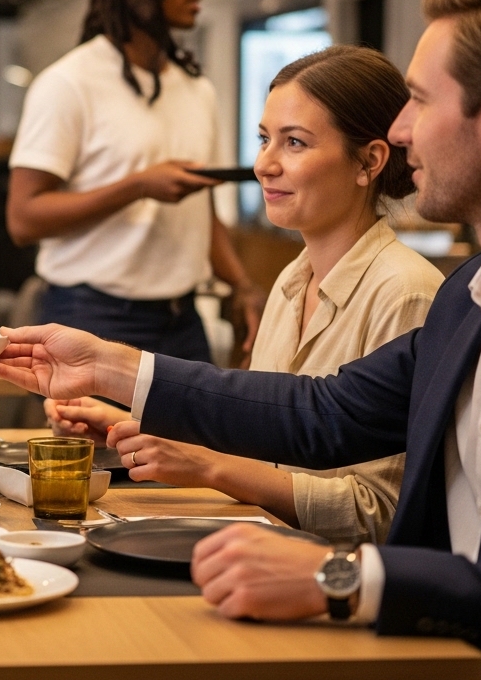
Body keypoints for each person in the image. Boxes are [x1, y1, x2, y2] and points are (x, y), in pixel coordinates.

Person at [0, 0, 481, 679]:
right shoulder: (469, 294)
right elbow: (322, 415)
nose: (401, 130)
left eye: (417, 100)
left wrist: (344, 577)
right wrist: (109, 366)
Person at [48, 45, 443, 543]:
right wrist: (136, 424)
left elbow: (382, 513)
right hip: (263, 547)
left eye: (294, 143)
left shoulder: (407, 293)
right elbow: (271, 445)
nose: (264, 165)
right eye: (263, 140)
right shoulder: (290, 280)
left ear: (369, 161)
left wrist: (211, 466)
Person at [6, 0, 265, 364]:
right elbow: (23, 218)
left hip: (184, 319)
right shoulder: (69, 83)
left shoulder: (195, 89)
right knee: (95, 442)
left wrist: (243, 285)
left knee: (193, 442)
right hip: (93, 315)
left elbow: (202, 214)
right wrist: (138, 186)